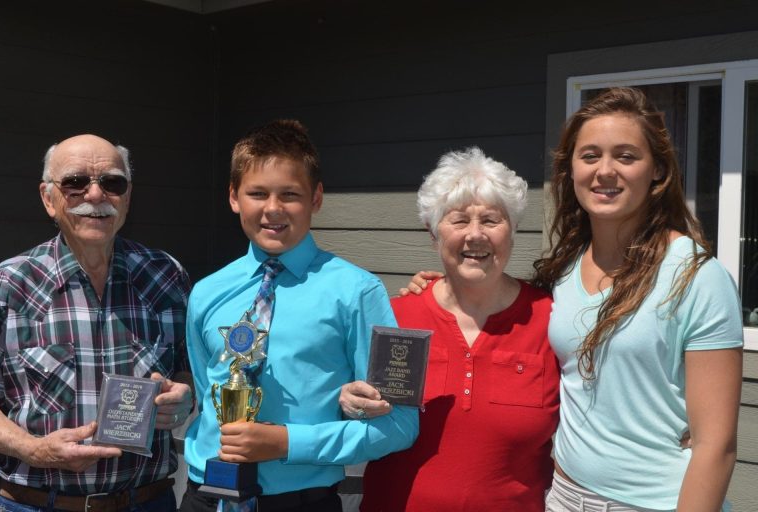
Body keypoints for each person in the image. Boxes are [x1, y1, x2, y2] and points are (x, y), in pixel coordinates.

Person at [407, 88, 743, 511]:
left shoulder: (696, 276)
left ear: (657, 169)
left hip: (655, 502)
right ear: (571, 171)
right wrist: (443, 286)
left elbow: (716, 446)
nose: (605, 171)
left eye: (626, 156)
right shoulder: (563, 271)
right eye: (590, 156)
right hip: (565, 497)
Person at [181, 119, 418, 512]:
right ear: (234, 197)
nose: (273, 208)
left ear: (316, 198)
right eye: (257, 193)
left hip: (298, 502)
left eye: (290, 194)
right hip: (205, 496)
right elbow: (209, 391)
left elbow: (399, 426)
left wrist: (288, 443)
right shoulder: (207, 292)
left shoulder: (357, 292)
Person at [339, 147, 560, 511]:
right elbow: (346, 410)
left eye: (491, 220)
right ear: (433, 232)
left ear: (513, 230)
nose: (475, 234)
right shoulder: (393, 318)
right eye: (458, 221)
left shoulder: (550, 320)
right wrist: (349, 402)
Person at [0, 134, 194, 512]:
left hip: (147, 502)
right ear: (48, 198)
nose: (96, 195)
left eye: (112, 183)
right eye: (75, 182)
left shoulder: (165, 276)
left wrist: (183, 396)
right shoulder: (6, 285)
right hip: (38, 504)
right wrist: (34, 450)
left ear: (127, 198)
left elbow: (189, 369)